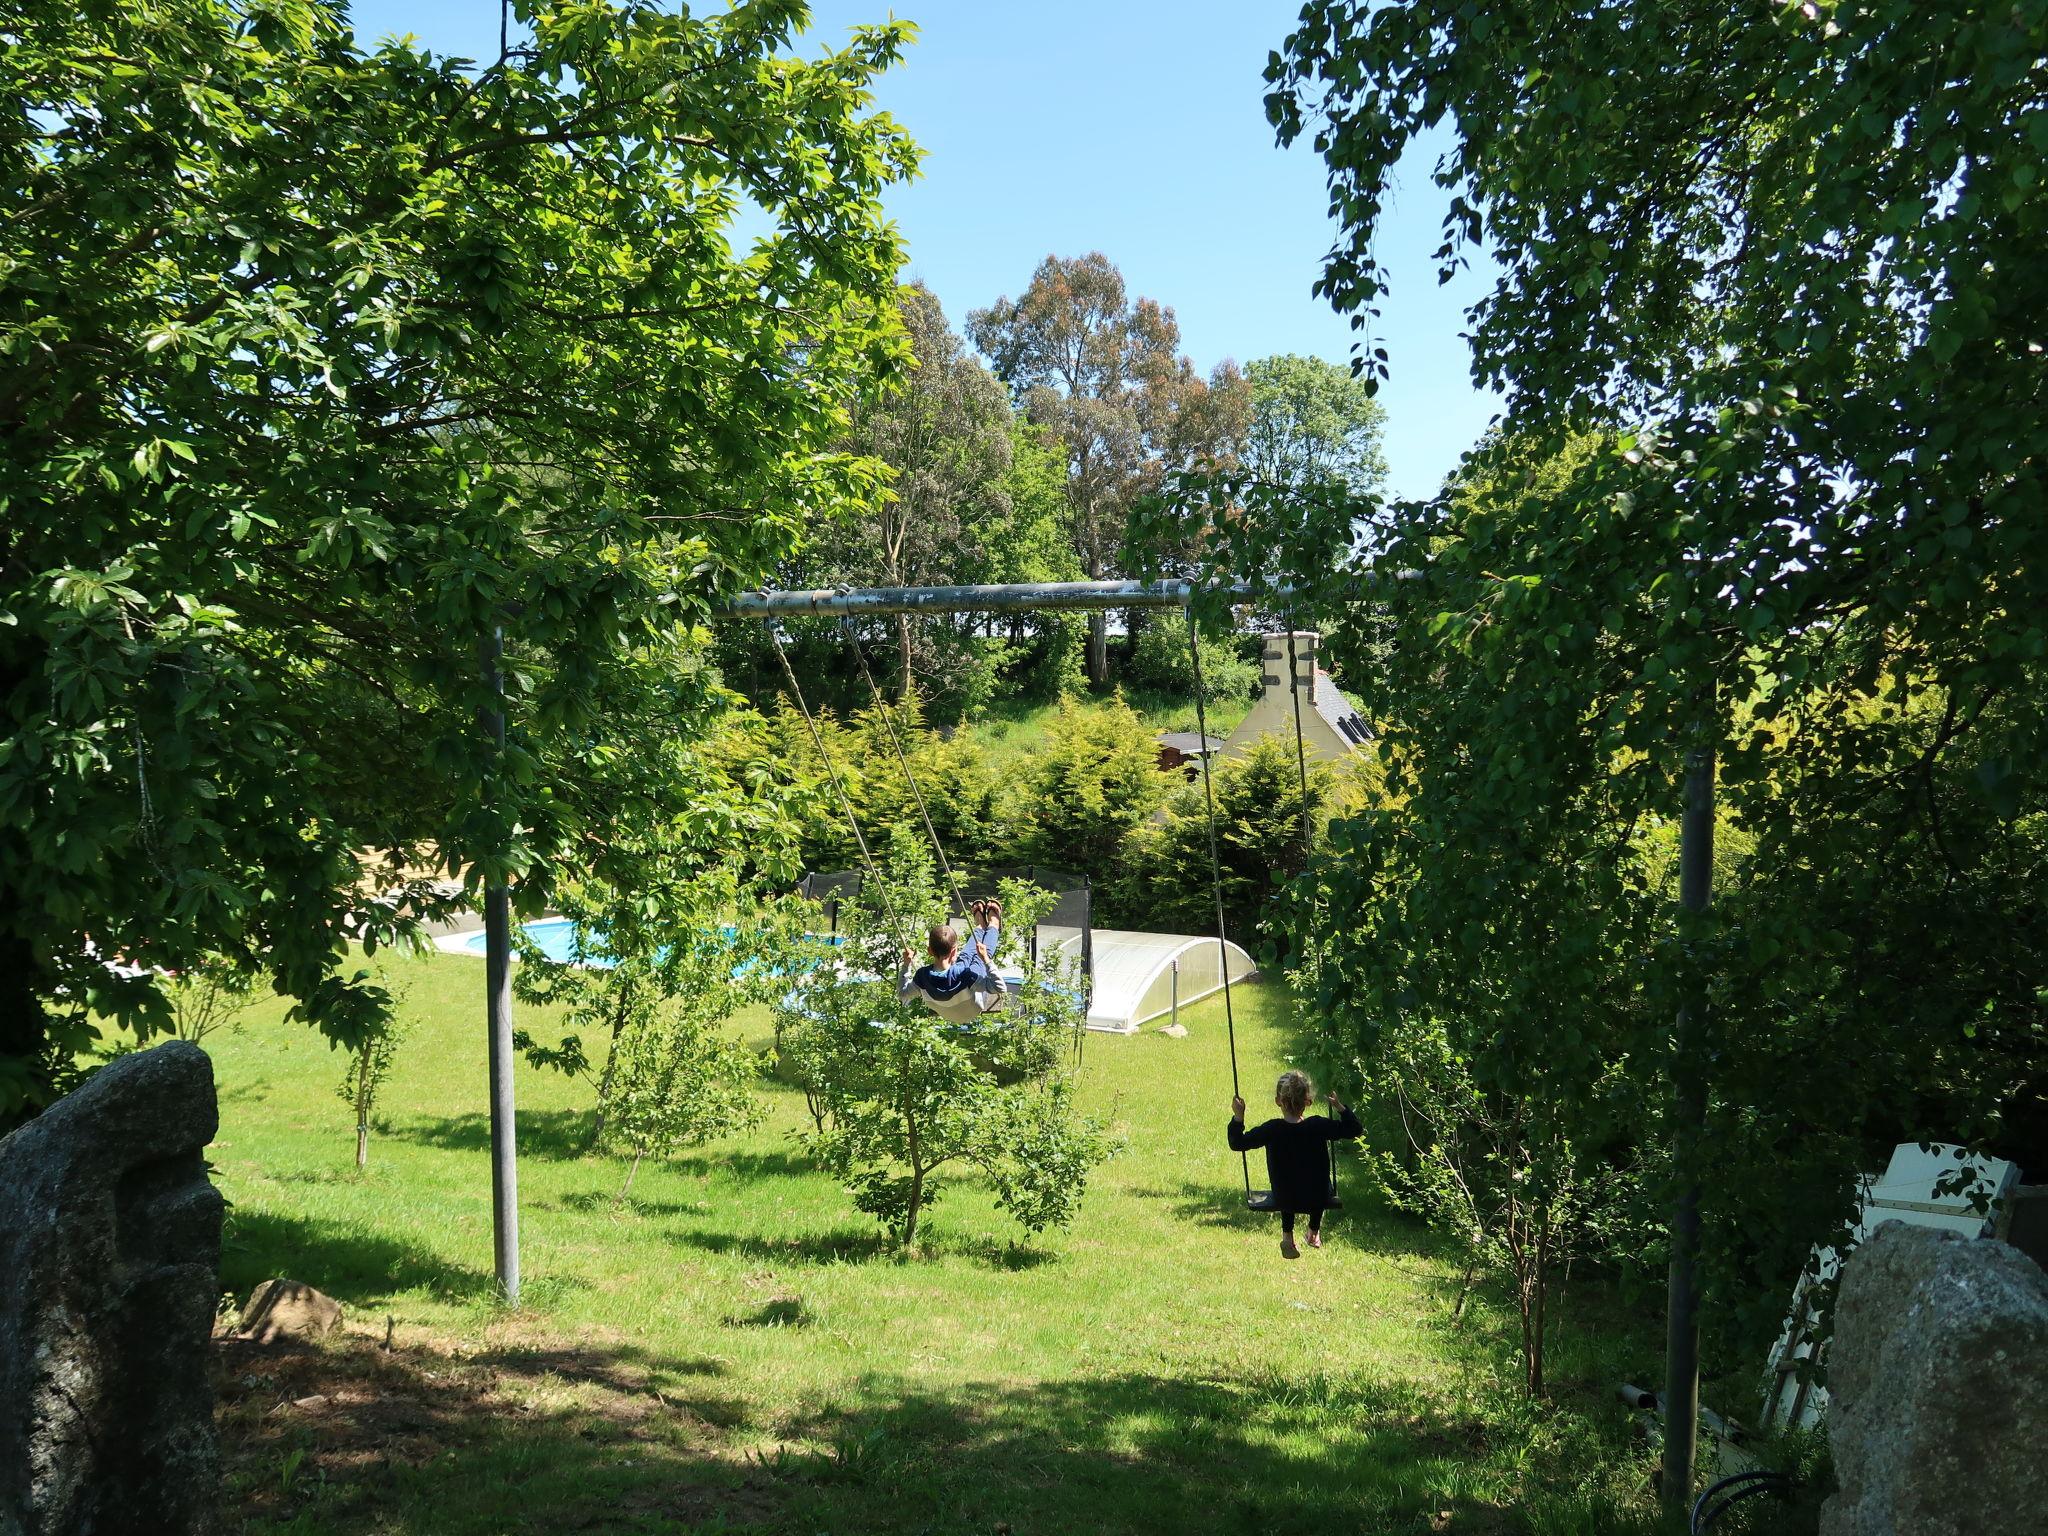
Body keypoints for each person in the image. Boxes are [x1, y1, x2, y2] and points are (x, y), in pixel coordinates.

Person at [1228, 1069, 1362, 1259]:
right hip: (1317, 1198)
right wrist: (1339, 1107)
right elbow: (1355, 1129)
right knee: (1321, 1184)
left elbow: (1237, 1143)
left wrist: (1239, 1116)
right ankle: (1313, 1232)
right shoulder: (1319, 1126)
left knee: (1287, 1182)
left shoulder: (1272, 1129)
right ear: (1308, 1100)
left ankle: (1287, 1235)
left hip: (1285, 1199)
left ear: (1278, 1101)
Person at [898, 899, 1005, 1021]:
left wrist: (906, 965)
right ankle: (993, 925)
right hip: (974, 1008)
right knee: (978, 961)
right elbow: (999, 987)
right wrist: (985, 958)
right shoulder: (965, 975)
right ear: (954, 951)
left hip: (948, 1012)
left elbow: (902, 994)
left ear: (930, 951)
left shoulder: (922, 976)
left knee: (963, 960)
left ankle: (981, 926)